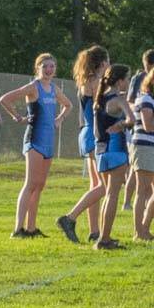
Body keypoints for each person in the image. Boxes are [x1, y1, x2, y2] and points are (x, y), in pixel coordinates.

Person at [57, 65, 134, 248]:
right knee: (113, 196)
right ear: (120, 80)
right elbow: (132, 120)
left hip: (101, 152)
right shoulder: (118, 99)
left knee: (107, 195)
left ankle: (101, 235)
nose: (129, 82)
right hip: (116, 151)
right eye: (128, 78)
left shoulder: (98, 100)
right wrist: (122, 124)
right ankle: (104, 240)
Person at [0, 53, 72, 238]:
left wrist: (59, 119)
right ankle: (18, 229)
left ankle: (31, 228)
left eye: (52, 67)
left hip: (48, 142)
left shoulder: (54, 89)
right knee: (30, 184)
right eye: (45, 66)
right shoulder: (33, 87)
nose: (49, 70)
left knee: (39, 185)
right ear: (38, 68)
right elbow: (4, 99)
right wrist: (17, 117)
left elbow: (68, 105)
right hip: (34, 141)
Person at [64, 46, 110, 242]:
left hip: (85, 133)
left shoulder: (85, 80)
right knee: (105, 186)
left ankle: (94, 231)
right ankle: (69, 218)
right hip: (94, 134)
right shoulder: (97, 81)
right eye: (108, 60)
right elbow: (104, 108)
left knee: (95, 185)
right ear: (102, 63)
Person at [122, 49, 153, 211]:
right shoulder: (139, 78)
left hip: (148, 134)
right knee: (137, 171)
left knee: (143, 174)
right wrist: (142, 110)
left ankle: (147, 208)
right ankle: (127, 202)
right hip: (139, 132)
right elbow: (130, 102)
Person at [130, 69, 154, 240]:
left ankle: (144, 228)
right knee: (142, 190)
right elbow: (148, 125)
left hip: (150, 147)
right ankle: (139, 232)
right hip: (144, 147)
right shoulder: (145, 98)